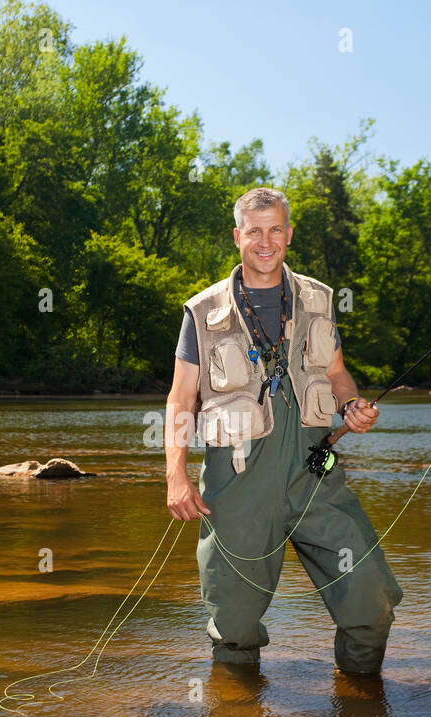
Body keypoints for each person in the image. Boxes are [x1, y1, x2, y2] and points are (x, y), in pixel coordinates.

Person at [164, 186, 403, 675]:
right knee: (234, 624)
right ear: (238, 236)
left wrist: (352, 404)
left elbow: (336, 373)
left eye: (276, 229)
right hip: (236, 483)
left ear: (289, 234)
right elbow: (180, 399)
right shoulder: (203, 311)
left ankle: (362, 713)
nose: (266, 241)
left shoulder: (317, 299)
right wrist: (176, 475)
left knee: (369, 598)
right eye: (255, 231)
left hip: (314, 472)